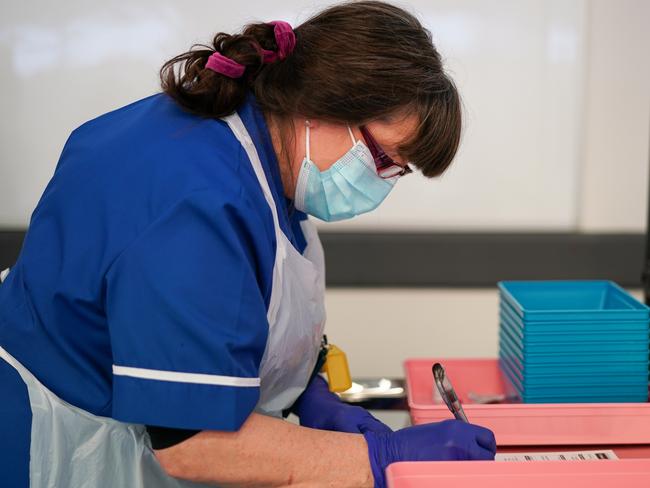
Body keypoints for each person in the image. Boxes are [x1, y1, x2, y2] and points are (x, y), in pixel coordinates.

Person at [0, 1, 496, 487]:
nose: (383, 182)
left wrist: (306, 391)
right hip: (53, 448)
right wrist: (381, 455)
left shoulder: (264, 157)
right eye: (382, 158)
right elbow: (194, 441)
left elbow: (238, 313)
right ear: (321, 106)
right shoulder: (198, 201)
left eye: (398, 171)